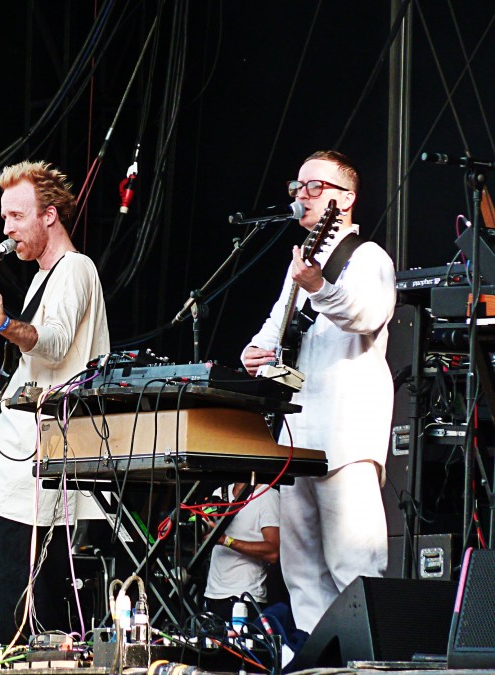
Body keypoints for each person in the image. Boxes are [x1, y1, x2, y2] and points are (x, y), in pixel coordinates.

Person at [241, 150, 395, 635]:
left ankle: (368, 661)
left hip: (345, 436)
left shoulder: (368, 257)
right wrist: (254, 353)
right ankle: (316, 659)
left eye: (315, 186)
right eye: (298, 186)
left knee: (356, 567)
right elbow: (273, 331)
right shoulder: (301, 267)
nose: (302, 195)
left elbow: (366, 315)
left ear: (345, 200)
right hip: (296, 439)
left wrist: (320, 287)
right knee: (302, 573)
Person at [0, 160, 110, 645]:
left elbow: (55, 343)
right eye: (4, 217)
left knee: (10, 598)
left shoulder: (76, 268)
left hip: (38, 461)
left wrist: (3, 323)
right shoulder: (42, 276)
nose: (7, 229)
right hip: (9, 459)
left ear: (49, 215)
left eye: (17, 216)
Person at [204, 483, 280, 621]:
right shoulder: (219, 492)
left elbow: (273, 552)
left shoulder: (267, 495)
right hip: (212, 595)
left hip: (246, 597)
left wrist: (226, 540)